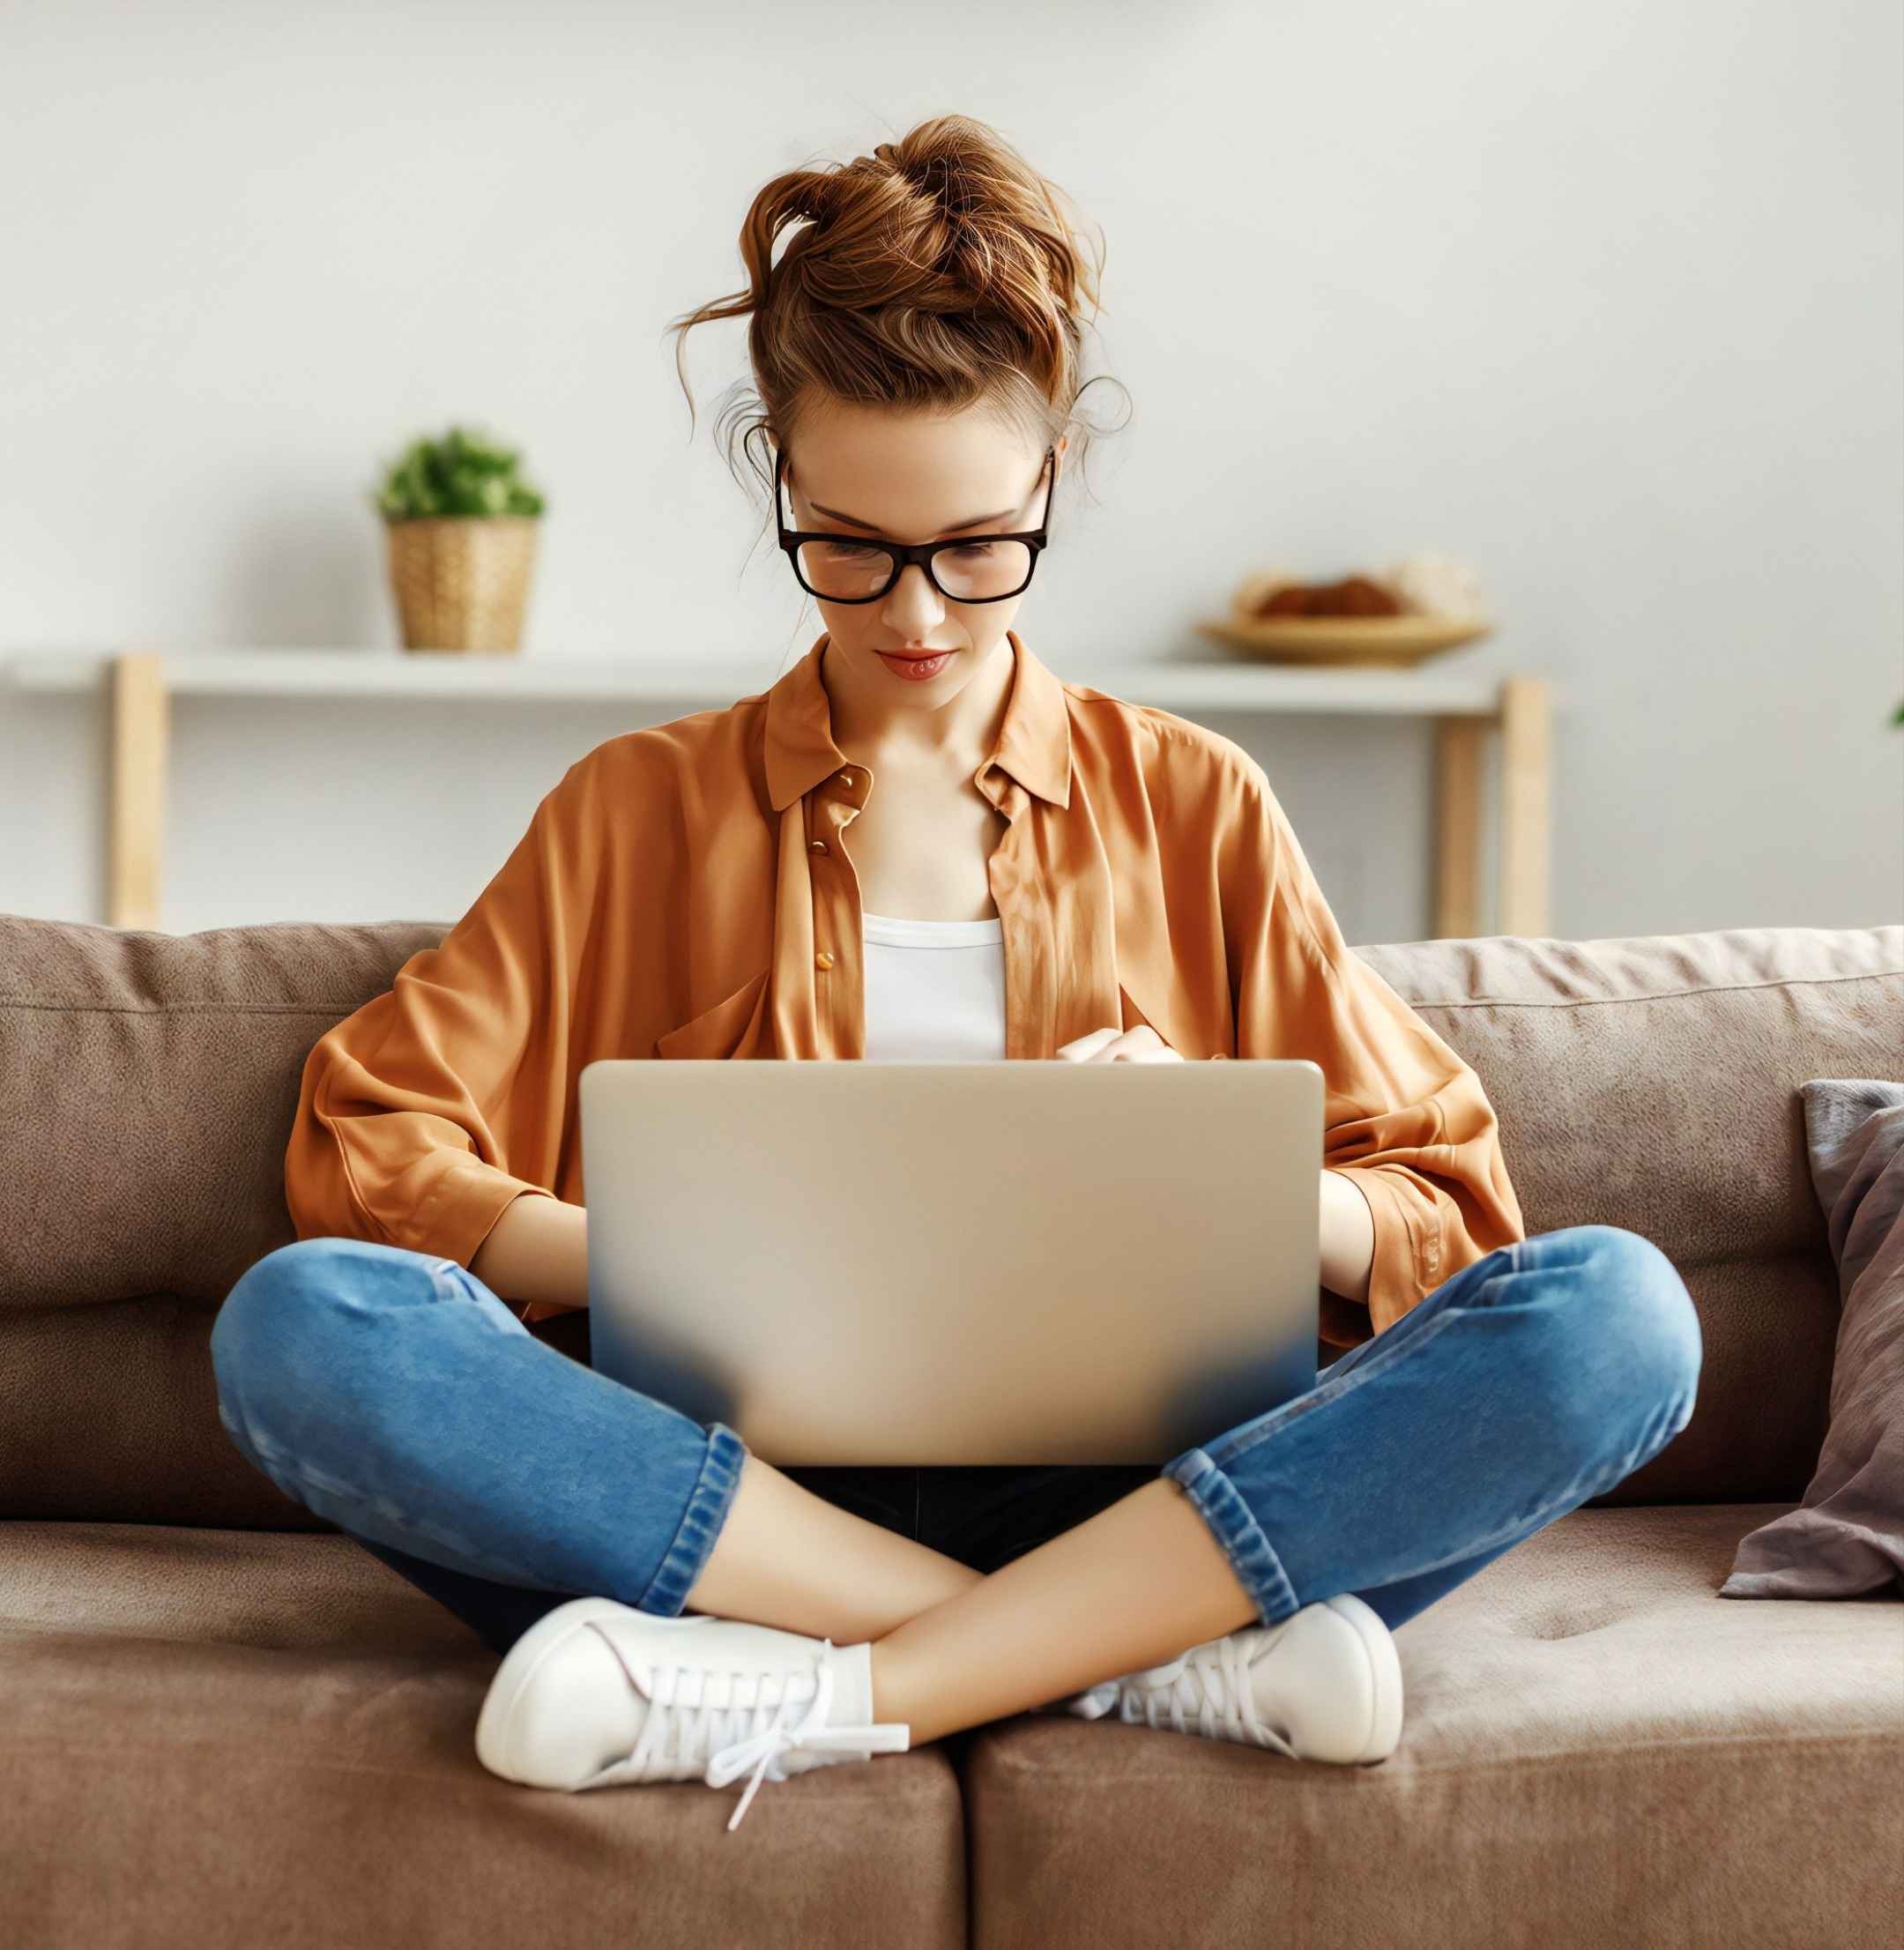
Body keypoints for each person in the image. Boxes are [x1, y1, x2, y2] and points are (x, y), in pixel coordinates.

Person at [209, 113, 1701, 1835]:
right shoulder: (636, 807)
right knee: (305, 1328)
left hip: (1146, 1490)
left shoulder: (1195, 801)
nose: (918, 614)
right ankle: (1149, 1663)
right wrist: (654, 1257)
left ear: (1052, 477)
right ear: (779, 475)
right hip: (724, 1493)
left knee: (1621, 1318)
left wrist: (1241, 1195)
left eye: (980, 547)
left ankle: (834, 1688)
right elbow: (371, 1139)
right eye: (851, 544)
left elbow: (1456, 1205)